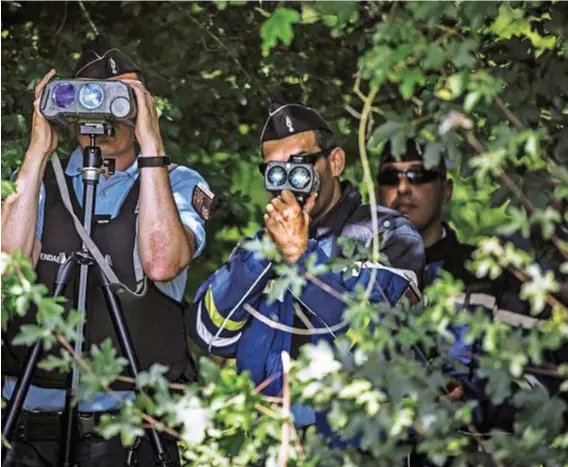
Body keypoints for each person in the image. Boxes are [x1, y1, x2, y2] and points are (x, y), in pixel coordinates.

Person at [1, 35, 212, 466]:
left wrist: (153, 148)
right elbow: (7, 266)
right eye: (88, 98)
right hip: (30, 428)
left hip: (128, 435)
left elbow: (161, 262)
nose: (101, 111)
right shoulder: (40, 180)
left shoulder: (177, 183)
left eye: (121, 97)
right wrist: (38, 149)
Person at [187, 101, 425, 437]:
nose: (291, 182)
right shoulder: (260, 249)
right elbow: (208, 333)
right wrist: (265, 254)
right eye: (275, 170)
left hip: (356, 447)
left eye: (301, 166)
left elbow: (377, 334)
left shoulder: (386, 233)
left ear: (336, 162)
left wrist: (302, 257)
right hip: (273, 444)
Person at [375, 139, 565, 462]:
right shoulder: (353, 276)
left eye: (419, 176)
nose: (403, 188)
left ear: (446, 191)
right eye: (391, 178)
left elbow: (541, 379)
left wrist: (474, 401)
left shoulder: (490, 276)